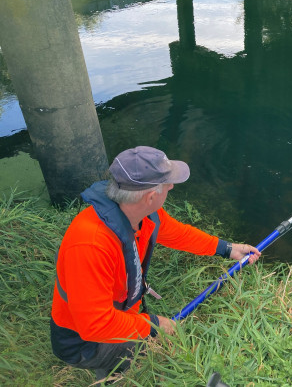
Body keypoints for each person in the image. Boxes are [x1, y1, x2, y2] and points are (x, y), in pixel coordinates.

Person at [50, 146, 261, 380]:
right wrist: (153, 325)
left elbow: (177, 233)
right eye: (168, 183)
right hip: (82, 341)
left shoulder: (140, 213)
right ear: (150, 196)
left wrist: (227, 249)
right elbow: (95, 325)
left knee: (146, 341)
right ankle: (115, 374)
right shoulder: (91, 245)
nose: (171, 187)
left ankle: (113, 372)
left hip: (116, 313)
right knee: (155, 354)